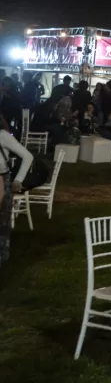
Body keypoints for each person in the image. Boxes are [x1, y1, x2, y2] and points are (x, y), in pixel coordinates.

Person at [0, 115, 34, 269]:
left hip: (1, 179)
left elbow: (27, 156)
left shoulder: (3, 136)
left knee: (2, 219)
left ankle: (2, 255)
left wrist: (18, 180)